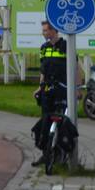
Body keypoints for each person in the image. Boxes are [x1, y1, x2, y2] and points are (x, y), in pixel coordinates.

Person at [32, 21, 67, 166]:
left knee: (62, 123)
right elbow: (43, 70)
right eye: (43, 30)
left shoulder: (65, 46)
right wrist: (40, 87)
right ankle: (45, 154)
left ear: (54, 31)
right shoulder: (44, 48)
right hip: (47, 91)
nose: (43, 33)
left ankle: (61, 155)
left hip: (61, 90)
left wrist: (77, 88)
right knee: (45, 122)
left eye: (46, 30)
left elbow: (75, 68)